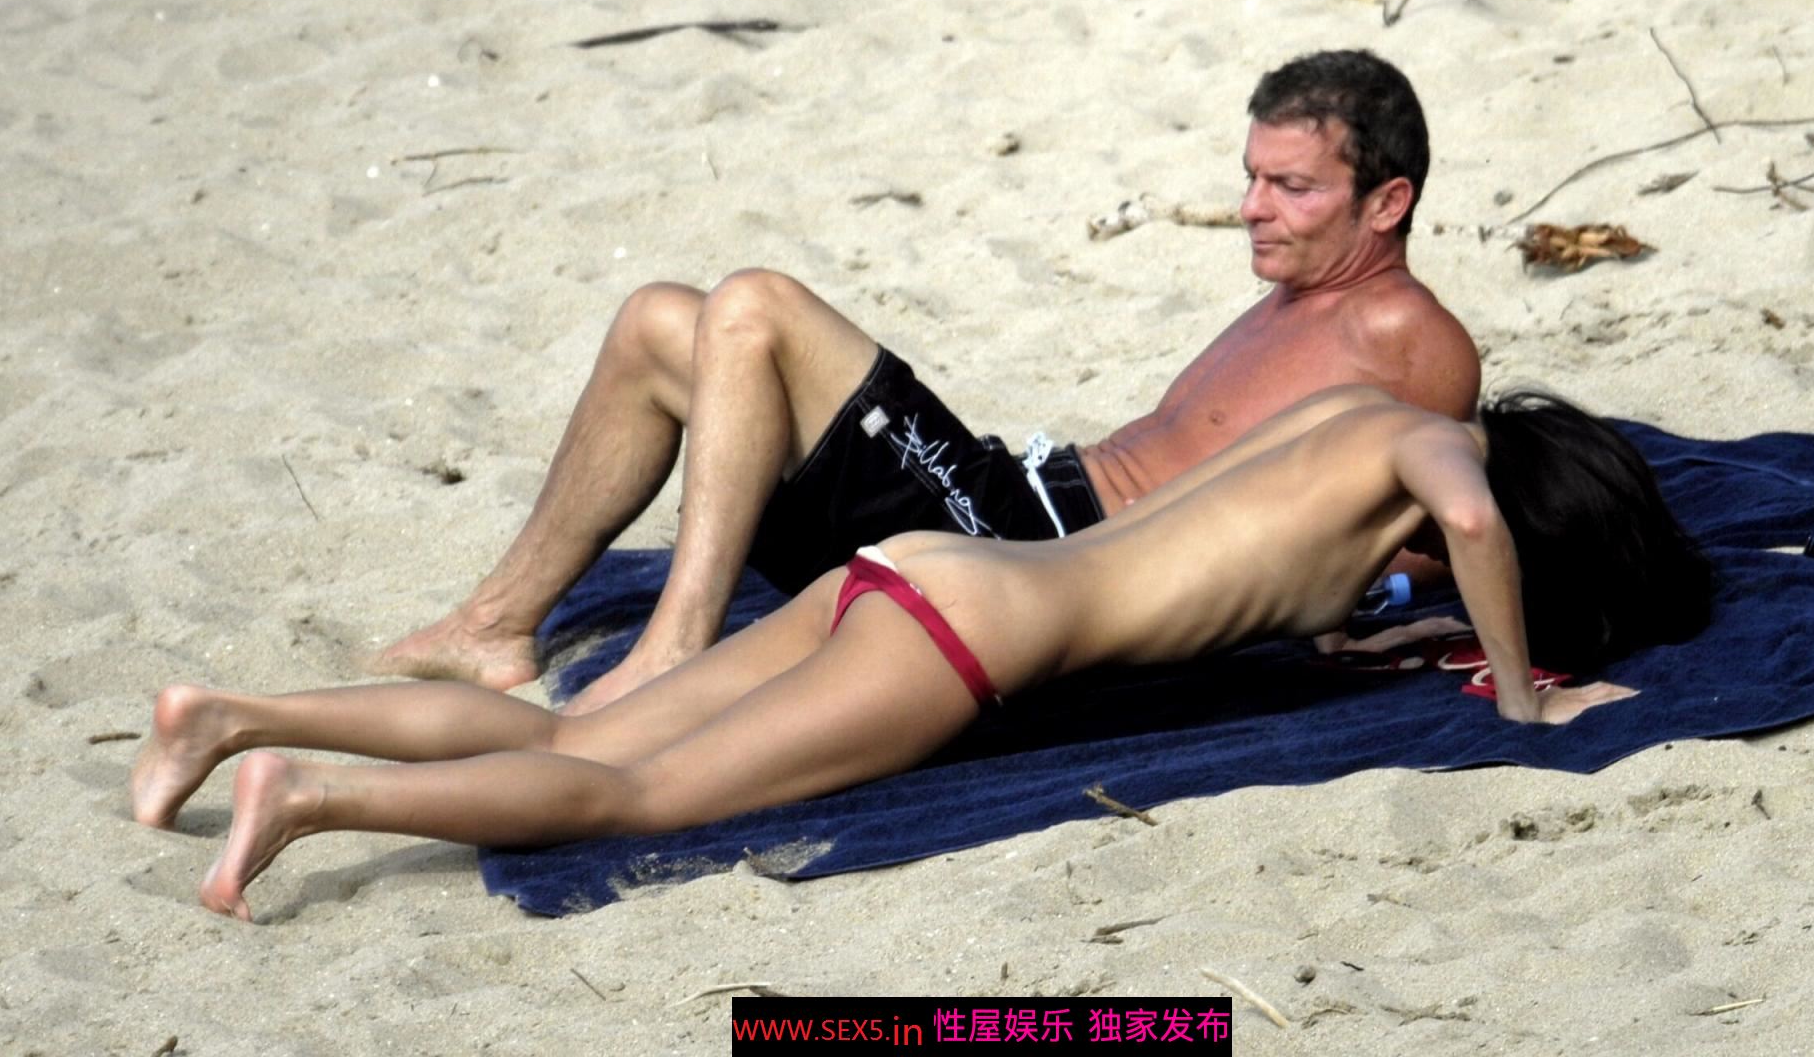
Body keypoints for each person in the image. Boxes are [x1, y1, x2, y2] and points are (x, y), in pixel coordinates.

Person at [135, 386, 1711, 921]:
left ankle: (227, 716)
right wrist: (1524, 697)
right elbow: (1473, 521)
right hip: (964, 635)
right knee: (631, 799)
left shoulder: (1352, 425)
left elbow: (1275, 558)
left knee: (574, 740)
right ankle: (311, 797)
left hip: (920, 572)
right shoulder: (1441, 456)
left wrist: (1396, 619)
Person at [376, 49, 1481, 713]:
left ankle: (675, 647)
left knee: (753, 305)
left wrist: (1368, 602)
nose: (1250, 209)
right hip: (1015, 496)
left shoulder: (1406, 332)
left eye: (1291, 188)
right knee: (658, 321)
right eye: (1251, 179)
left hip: (1039, 552)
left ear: (1386, 203)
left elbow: (1428, 511)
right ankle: (495, 623)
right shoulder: (1307, 294)